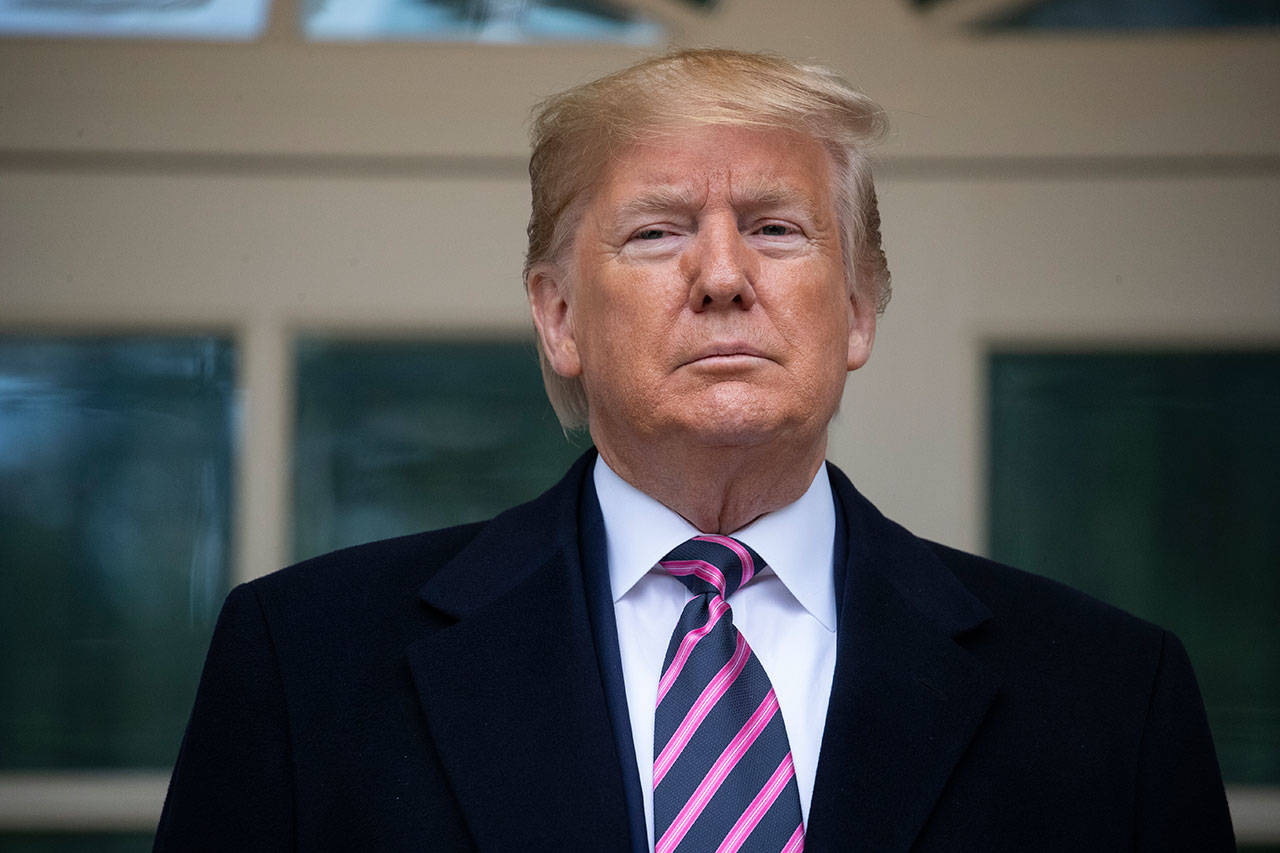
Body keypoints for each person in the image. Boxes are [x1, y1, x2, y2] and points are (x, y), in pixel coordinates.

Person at [155, 49, 1234, 852]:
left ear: (856, 309)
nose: (721, 276)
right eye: (657, 231)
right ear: (559, 313)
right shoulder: (303, 664)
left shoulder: (1108, 695)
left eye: (774, 227)